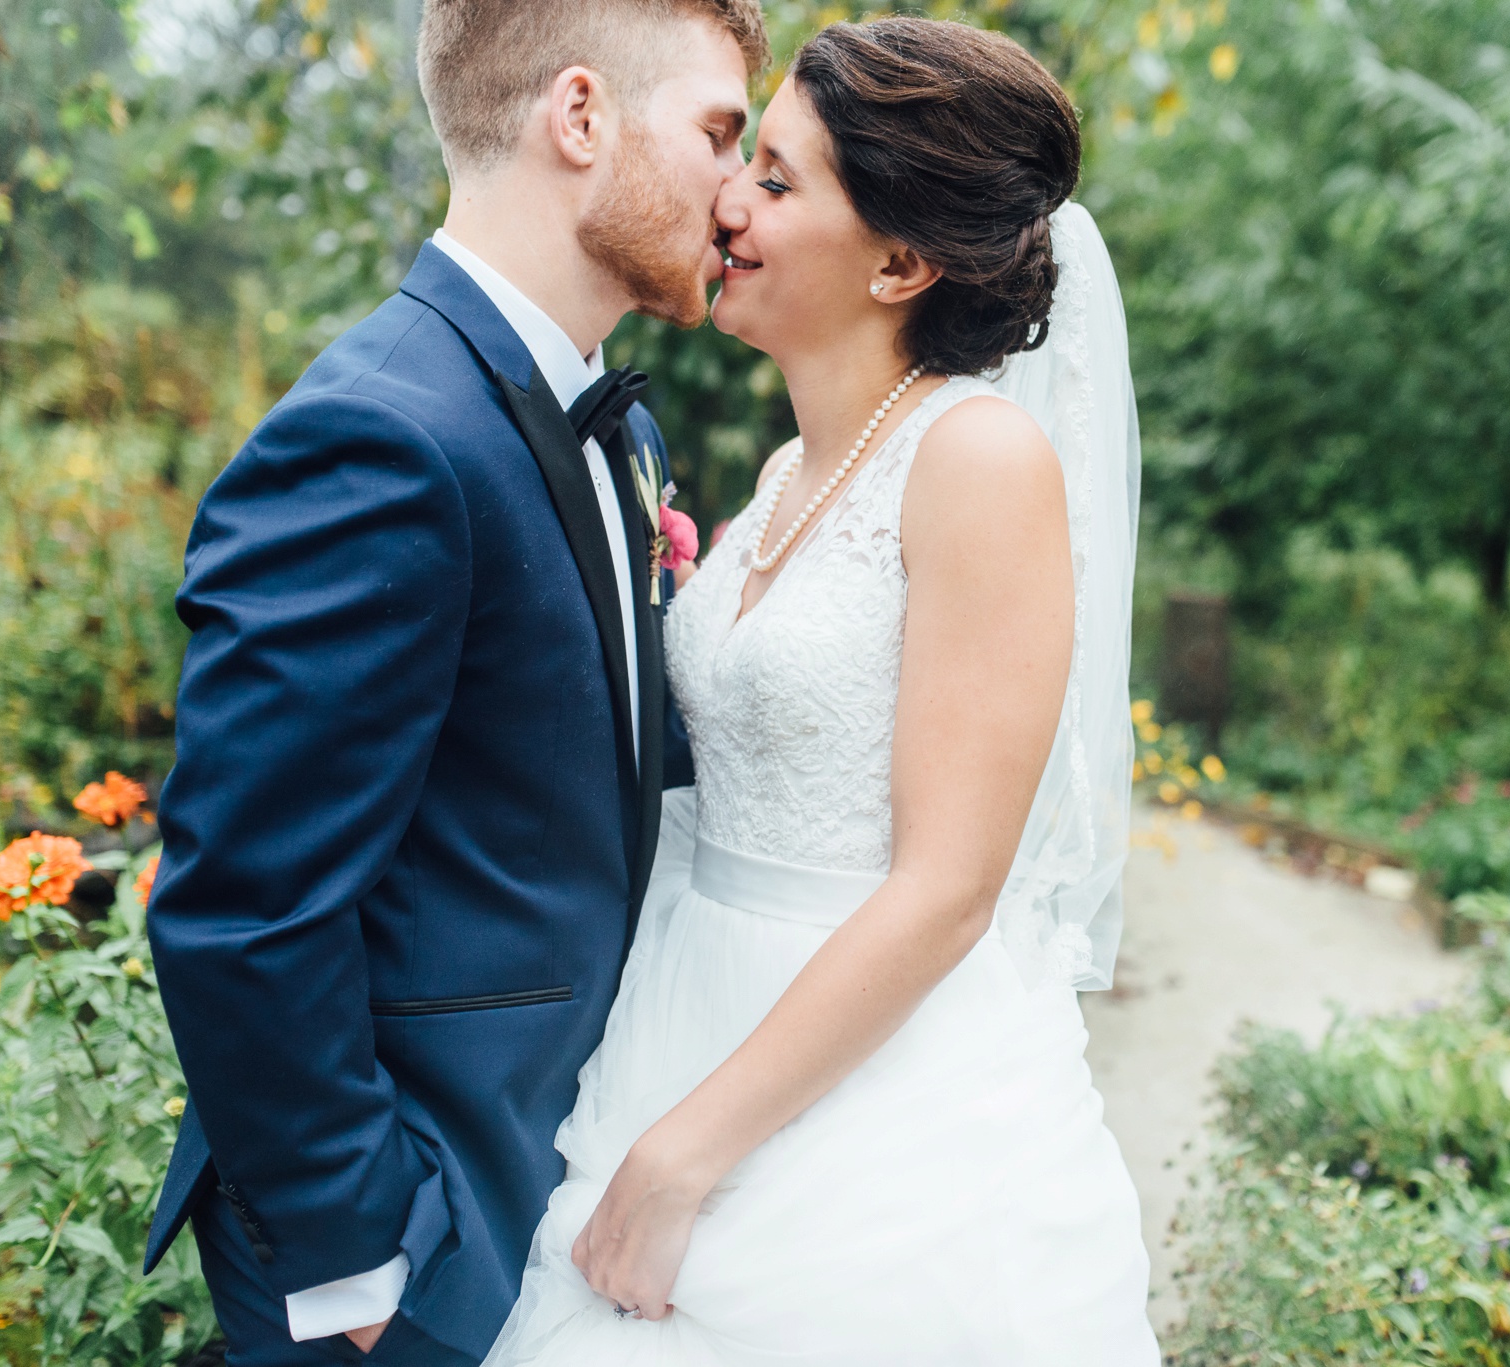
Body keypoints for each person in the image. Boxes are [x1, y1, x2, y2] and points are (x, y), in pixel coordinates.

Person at [482, 18, 1159, 1364]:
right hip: (688, 1008)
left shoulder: (979, 461)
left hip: (877, 1103)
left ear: (902, 261)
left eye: (779, 180)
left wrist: (684, 1160)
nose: (727, 199)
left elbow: (950, 884)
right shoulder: (794, 474)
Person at [139, 2, 767, 1363]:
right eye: (721, 131)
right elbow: (245, 904)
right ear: (581, 116)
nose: (740, 190)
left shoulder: (617, 425)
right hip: (409, 1251)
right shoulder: (379, 434)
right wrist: (359, 1259)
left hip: (551, 1189)